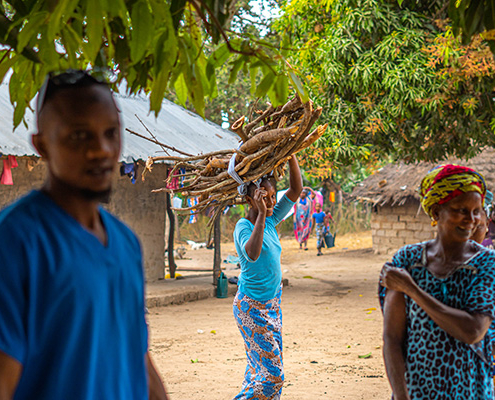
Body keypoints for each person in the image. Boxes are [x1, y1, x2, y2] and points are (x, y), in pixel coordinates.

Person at [0, 70, 169, 400]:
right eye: (79, 136)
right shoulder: (16, 242)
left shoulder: (125, 243)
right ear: (41, 145)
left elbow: (137, 357)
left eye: (111, 133)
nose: (101, 150)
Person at [379, 164, 495, 400]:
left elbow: (472, 330)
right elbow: (392, 338)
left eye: (476, 211)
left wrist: (411, 289)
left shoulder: (487, 264)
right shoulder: (407, 260)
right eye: (460, 209)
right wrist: (401, 396)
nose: (471, 219)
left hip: (472, 392)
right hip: (417, 392)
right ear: (435, 212)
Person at [232, 155, 302, 400]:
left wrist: (291, 155)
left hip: (273, 304)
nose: (272, 202)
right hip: (250, 307)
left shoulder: (271, 218)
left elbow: (296, 190)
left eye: (273, 196)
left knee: (258, 370)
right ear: (250, 199)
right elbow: (252, 254)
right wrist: (261, 214)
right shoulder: (243, 226)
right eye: (265, 197)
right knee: (273, 375)